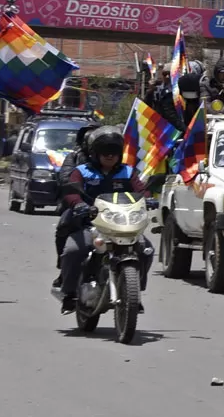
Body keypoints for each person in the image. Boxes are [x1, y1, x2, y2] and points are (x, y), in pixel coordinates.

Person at [54, 127, 152, 312]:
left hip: (123, 225)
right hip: (90, 225)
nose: (110, 156)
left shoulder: (127, 172)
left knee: (146, 250)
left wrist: (149, 198)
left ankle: (134, 293)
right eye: (105, 152)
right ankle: (69, 294)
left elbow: (141, 190)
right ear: (94, 153)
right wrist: (78, 204)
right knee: (73, 251)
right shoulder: (81, 172)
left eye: (114, 152)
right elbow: (71, 192)